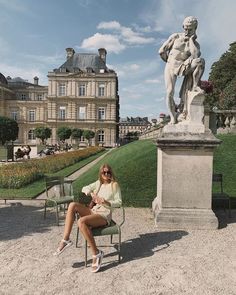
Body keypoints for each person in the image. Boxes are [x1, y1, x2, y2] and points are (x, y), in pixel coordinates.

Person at [53, 163, 122, 273]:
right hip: (93, 211)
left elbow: (119, 202)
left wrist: (106, 202)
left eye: (109, 172)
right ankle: (66, 239)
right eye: (104, 172)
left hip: (103, 215)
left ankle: (96, 253)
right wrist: (91, 194)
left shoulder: (114, 185)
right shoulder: (98, 183)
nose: (107, 174)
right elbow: (84, 188)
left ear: (111, 173)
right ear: (101, 173)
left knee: (81, 221)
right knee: (72, 205)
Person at [159, 16, 205, 124]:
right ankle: (173, 117)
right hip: (171, 65)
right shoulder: (175, 37)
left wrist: (191, 40)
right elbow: (161, 51)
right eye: (185, 28)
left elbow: (195, 55)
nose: (187, 31)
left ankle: (195, 86)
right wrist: (169, 61)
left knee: (200, 61)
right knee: (169, 91)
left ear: (195, 28)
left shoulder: (194, 43)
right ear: (183, 26)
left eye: (190, 29)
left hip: (184, 65)